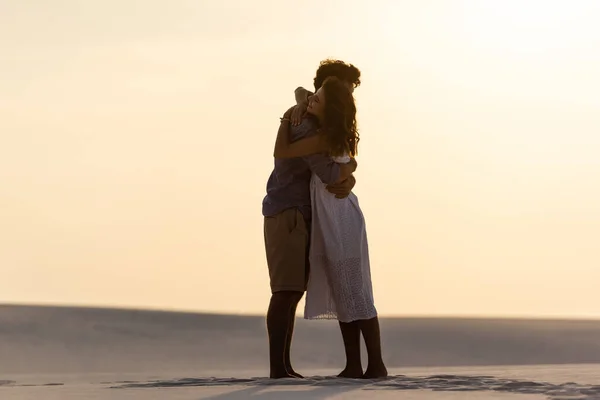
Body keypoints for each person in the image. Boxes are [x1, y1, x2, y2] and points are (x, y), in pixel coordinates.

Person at [273, 76, 388, 379]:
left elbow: (285, 153)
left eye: (318, 100)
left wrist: (286, 118)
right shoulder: (322, 126)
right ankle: (353, 364)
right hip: (329, 216)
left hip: (340, 218)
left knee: (357, 291)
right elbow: (303, 92)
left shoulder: (323, 136)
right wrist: (300, 101)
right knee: (343, 290)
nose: (312, 100)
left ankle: (375, 364)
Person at [262, 60, 362, 379]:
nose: (348, 94)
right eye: (344, 87)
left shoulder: (312, 116)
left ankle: (283, 367)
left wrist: (349, 177)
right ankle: (278, 369)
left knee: (292, 290)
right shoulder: (305, 122)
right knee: (286, 290)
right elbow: (328, 171)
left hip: (299, 212)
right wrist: (352, 169)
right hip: (289, 211)